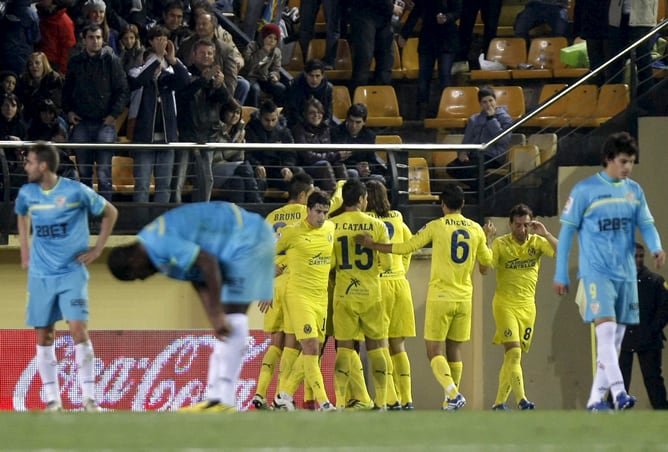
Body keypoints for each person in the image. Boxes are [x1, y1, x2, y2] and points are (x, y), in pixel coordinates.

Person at [107, 201, 275, 412]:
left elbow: (207, 262)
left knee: (232, 314)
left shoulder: (159, 243)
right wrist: (213, 316)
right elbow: (197, 275)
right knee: (224, 324)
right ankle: (214, 399)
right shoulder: (157, 257)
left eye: (134, 275)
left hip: (249, 239)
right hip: (233, 242)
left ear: (133, 259)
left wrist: (216, 313)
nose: (141, 279)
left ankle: (224, 401)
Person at [553, 131, 666, 412]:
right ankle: (619, 393)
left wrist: (656, 247)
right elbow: (567, 233)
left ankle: (595, 400)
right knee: (606, 333)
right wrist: (560, 273)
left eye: (631, 162)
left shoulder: (634, 190)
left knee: (616, 341)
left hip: (625, 273)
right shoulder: (584, 190)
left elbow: (647, 223)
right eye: (624, 161)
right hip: (598, 271)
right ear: (608, 159)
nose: (628, 167)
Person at [355, 185, 494, 411]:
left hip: (440, 296)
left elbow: (407, 247)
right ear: (462, 205)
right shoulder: (476, 229)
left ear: (442, 205)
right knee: (454, 350)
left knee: (433, 351)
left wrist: (374, 245)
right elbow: (486, 267)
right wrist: (488, 239)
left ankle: (453, 393)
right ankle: (450, 400)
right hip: (465, 298)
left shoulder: (436, 226)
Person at [16, 142, 119, 412]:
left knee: (77, 329)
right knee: (44, 335)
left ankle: (89, 399)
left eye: (29, 162)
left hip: (71, 272)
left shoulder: (75, 191)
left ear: (43, 166)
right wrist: (25, 249)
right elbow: (22, 216)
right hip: (41, 275)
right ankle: (53, 401)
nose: (25, 167)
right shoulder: (27, 193)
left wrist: (98, 248)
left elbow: (110, 212)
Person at [325, 180, 392, 410]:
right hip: (371, 293)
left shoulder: (332, 225)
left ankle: (341, 403)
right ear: (363, 199)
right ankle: (382, 402)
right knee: (376, 347)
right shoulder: (377, 226)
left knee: (344, 348)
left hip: (344, 293)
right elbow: (387, 263)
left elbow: (329, 264)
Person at [251, 173, 315, 410]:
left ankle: (260, 393)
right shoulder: (306, 216)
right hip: (294, 283)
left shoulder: (271, 217)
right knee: (291, 344)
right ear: (302, 195)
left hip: (272, 285)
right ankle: (281, 396)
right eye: (310, 195)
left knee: (274, 343)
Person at [271, 191, 337, 411]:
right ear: (307, 210)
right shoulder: (292, 233)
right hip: (299, 296)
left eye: (325, 212)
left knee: (314, 347)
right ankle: (324, 401)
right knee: (310, 345)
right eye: (318, 211)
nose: (322, 217)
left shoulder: (330, 228)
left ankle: (284, 394)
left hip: (321, 297)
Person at [488, 203, 557, 411]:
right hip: (505, 304)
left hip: (528, 308)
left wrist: (546, 234)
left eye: (526, 225)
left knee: (511, 357)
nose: (522, 230)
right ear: (510, 225)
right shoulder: (501, 244)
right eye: (518, 225)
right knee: (514, 353)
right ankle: (522, 400)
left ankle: (499, 402)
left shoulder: (537, 242)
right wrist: (488, 240)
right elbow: (485, 265)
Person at [62, 22, 129, 201]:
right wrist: (68, 112)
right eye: (91, 37)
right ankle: (87, 212)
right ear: (84, 39)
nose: (95, 41)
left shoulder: (111, 61)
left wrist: (114, 115)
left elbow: (122, 90)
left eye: (98, 37)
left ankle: (104, 215)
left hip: (104, 122)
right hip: (81, 121)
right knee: (84, 171)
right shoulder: (75, 62)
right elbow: (67, 91)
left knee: (104, 172)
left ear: (103, 39)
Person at [364, 180, 416, 410]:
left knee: (380, 344)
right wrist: (402, 268)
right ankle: (407, 399)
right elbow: (410, 245)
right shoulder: (397, 217)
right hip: (400, 284)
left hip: (379, 285)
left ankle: (390, 398)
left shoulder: (366, 222)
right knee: (399, 345)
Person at [128, 27, 190, 204]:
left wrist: (171, 60)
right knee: (142, 185)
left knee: (164, 186)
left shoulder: (168, 78)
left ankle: (160, 228)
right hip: (144, 140)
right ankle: (139, 224)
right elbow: (140, 79)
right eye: (158, 39)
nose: (159, 65)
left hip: (167, 139)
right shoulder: (136, 72)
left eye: (165, 38)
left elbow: (185, 80)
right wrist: (156, 58)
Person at [174, 39, 230, 202]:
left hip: (208, 135)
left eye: (210, 53)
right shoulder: (185, 73)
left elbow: (225, 101)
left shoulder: (216, 76)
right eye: (202, 53)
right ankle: (174, 215)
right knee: (178, 180)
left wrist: (220, 86)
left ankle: (202, 217)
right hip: (186, 134)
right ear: (194, 55)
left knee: (206, 180)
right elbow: (182, 97)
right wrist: (203, 80)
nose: (206, 56)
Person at [618, 242, 668, 410]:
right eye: (634, 257)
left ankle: (662, 414)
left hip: (649, 338)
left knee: (653, 380)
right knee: (619, 379)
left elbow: (664, 310)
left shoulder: (655, 281)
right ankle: (611, 414)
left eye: (640, 256)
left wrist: (652, 329)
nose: (638, 260)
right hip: (624, 338)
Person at [398, 0, 462, 118]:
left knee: (445, 75)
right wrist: (404, 33)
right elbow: (416, 13)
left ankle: (446, 109)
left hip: (447, 40)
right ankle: (422, 110)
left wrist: (447, 17)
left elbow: (458, 10)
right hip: (428, 39)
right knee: (424, 76)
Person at [446, 86, 513, 194]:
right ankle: (485, 190)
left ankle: (482, 193)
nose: (488, 104)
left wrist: (491, 119)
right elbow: (466, 141)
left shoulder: (505, 118)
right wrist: (462, 153)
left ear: (495, 100)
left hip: (493, 156)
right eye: (484, 102)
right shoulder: (474, 119)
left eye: (491, 100)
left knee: (472, 169)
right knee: (452, 168)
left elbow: (503, 140)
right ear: (480, 104)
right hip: (475, 155)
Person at [211, 98, 263, 204]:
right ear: (224, 112)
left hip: (231, 171)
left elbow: (239, 159)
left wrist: (240, 146)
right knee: (244, 166)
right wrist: (237, 146)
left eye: (238, 113)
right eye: (231, 112)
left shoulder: (239, 131)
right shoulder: (215, 129)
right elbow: (221, 154)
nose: (235, 116)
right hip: (214, 170)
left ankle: (240, 217)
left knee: (238, 181)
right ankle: (258, 205)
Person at [245, 99, 299, 192]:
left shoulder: (284, 130)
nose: (270, 124)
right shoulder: (251, 129)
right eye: (266, 120)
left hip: (278, 170)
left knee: (298, 176)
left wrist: (287, 167)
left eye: (273, 120)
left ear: (278, 117)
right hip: (258, 170)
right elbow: (246, 153)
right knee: (258, 181)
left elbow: (290, 152)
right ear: (260, 117)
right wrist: (256, 165)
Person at [293, 97, 346, 192]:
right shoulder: (299, 130)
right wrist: (334, 156)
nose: (316, 115)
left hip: (325, 162)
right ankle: (333, 197)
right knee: (324, 165)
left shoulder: (326, 129)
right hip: (307, 167)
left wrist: (336, 156)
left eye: (319, 112)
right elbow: (307, 156)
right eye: (312, 113)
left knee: (339, 164)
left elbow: (330, 152)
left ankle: (348, 198)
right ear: (305, 114)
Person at [330, 103, 387, 185]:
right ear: (347, 119)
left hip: (363, 173)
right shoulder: (335, 132)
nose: (353, 125)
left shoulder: (369, 135)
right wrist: (355, 167)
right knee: (353, 173)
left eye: (358, 122)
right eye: (351, 121)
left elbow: (372, 159)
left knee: (379, 179)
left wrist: (367, 168)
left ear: (364, 122)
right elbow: (334, 160)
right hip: (345, 171)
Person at [242, 23, 285, 107]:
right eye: (269, 37)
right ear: (263, 37)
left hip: (265, 78)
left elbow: (275, 69)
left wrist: (274, 75)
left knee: (281, 88)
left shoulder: (276, 52)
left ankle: (276, 113)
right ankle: (254, 114)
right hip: (250, 76)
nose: (272, 41)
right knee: (255, 89)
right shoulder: (252, 46)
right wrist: (264, 51)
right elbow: (248, 65)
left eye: (275, 39)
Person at [284, 58, 334, 129]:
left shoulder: (328, 88)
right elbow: (292, 112)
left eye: (317, 76)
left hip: (319, 124)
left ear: (322, 75)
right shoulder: (294, 86)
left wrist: (323, 125)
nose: (314, 80)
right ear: (305, 74)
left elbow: (329, 113)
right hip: (297, 125)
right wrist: (308, 126)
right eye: (311, 75)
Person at [17, 52, 65, 125]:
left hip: (52, 117)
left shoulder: (54, 79)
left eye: (37, 63)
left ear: (44, 64)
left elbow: (55, 104)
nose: (34, 66)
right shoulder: (24, 81)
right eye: (30, 64)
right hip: (31, 118)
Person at [35, 0, 76, 75]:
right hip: (38, 62)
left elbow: (68, 49)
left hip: (53, 67)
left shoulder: (64, 22)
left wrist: (62, 72)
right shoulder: (39, 16)